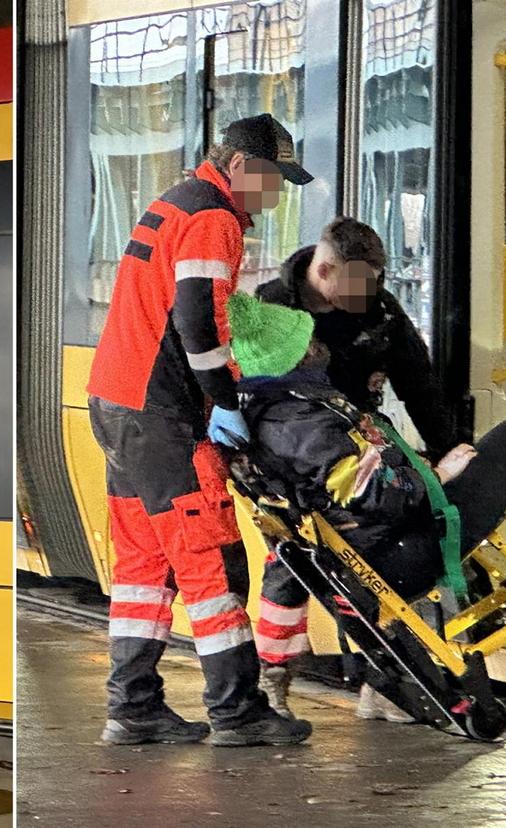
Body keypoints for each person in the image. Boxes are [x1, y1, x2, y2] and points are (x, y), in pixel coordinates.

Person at [86, 113, 315, 747]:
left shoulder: (172, 200)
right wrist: (224, 399)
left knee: (144, 565)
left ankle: (132, 707)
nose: (274, 198)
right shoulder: (212, 218)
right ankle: (237, 711)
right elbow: (198, 324)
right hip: (161, 414)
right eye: (271, 180)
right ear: (239, 166)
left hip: (115, 405)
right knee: (210, 559)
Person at [226, 293, 506, 718]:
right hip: (402, 549)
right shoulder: (303, 424)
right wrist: (441, 474)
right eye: (307, 341)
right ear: (293, 358)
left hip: (372, 550)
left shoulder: (277, 414)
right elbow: (381, 497)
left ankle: (385, 688)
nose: (317, 343)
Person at [252, 218, 459, 718]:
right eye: (360, 287)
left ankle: (383, 681)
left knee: (380, 560)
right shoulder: (272, 309)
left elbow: (420, 386)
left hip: (361, 452)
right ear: (325, 271)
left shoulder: (380, 311)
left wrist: (450, 452)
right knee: (298, 560)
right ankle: (272, 682)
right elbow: (248, 398)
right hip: (296, 460)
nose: (370, 298)